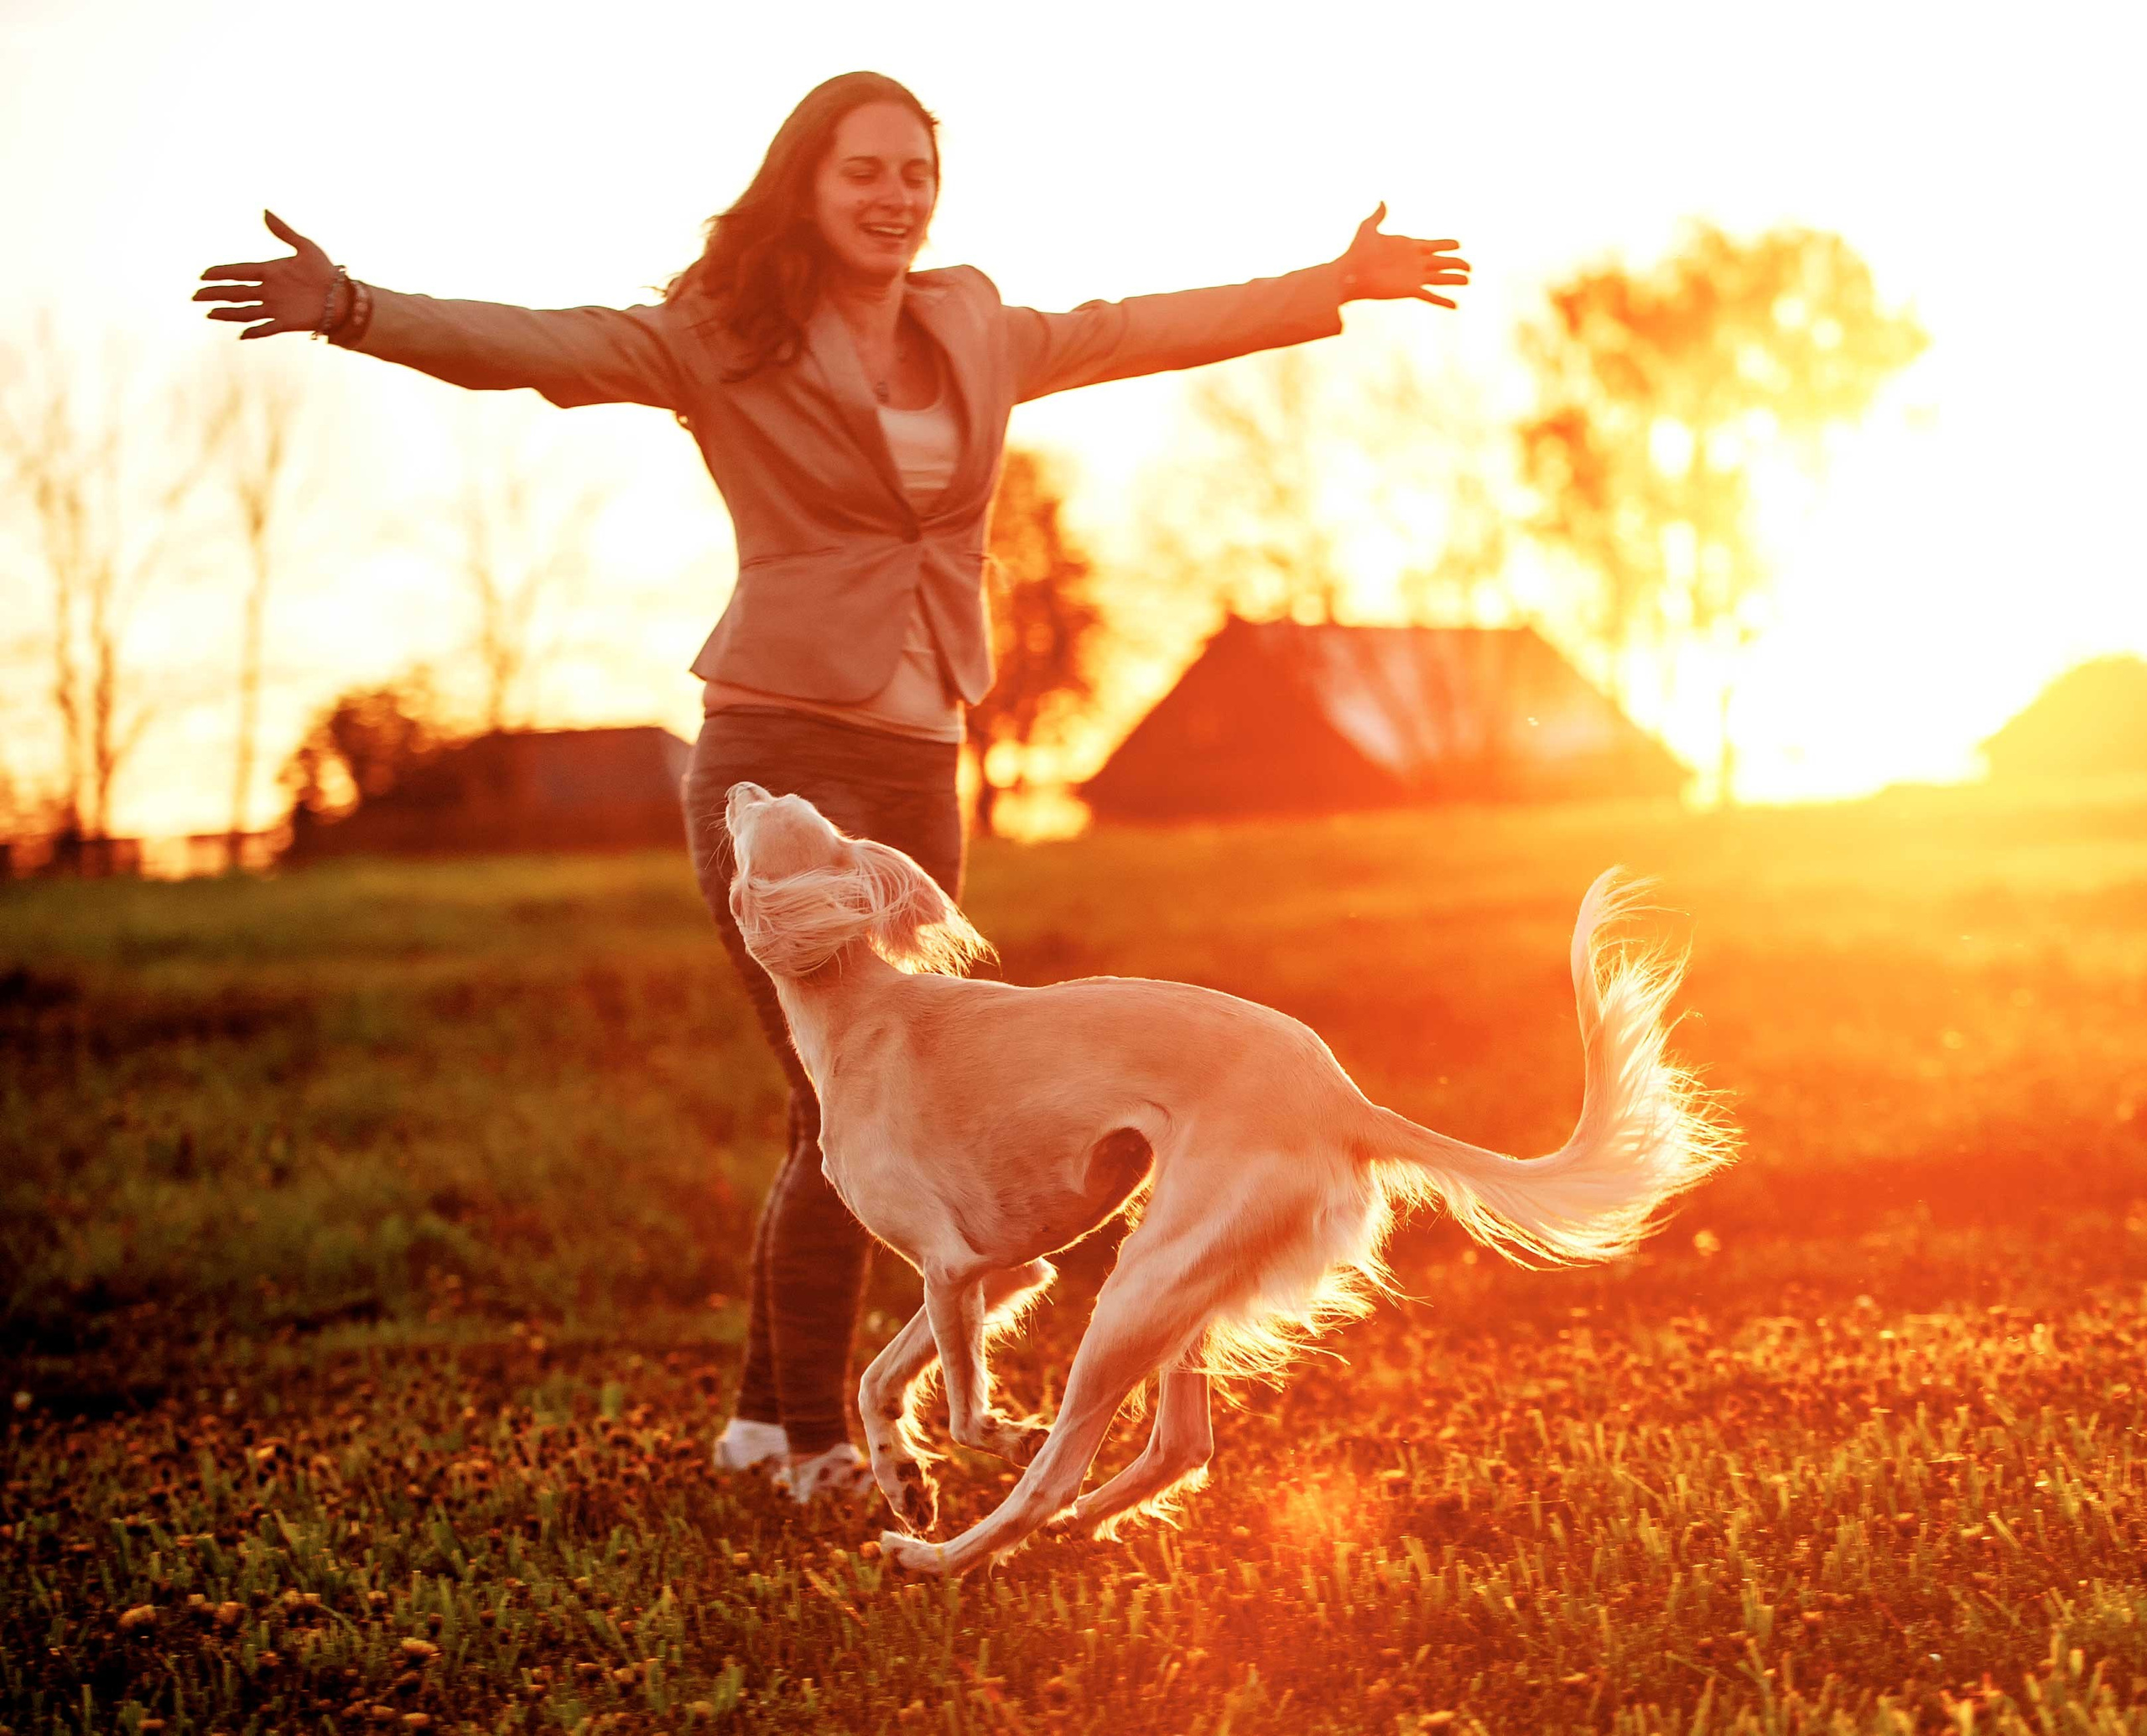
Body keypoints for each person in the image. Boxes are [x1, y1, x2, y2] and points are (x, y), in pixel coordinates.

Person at [195, 70, 1470, 1503]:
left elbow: (1133, 332)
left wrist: (1336, 283)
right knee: (839, 1116)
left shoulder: (972, 320)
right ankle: (813, 1448)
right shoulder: (722, 340)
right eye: (864, 169)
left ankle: (762, 1422)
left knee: (886, 1112)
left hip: (925, 766)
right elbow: (542, 346)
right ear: (805, 183)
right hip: (781, 753)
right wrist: (358, 307)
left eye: (915, 171)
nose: (895, 194)